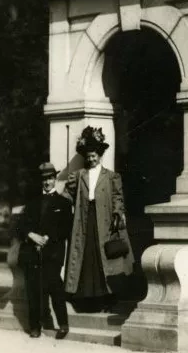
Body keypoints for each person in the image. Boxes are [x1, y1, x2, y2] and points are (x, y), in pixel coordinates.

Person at [64, 126, 134, 311]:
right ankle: (86, 300)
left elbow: (118, 197)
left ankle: (108, 298)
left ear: (99, 155)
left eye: (94, 155)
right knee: (86, 256)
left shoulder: (111, 176)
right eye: (88, 156)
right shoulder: (79, 176)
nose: (91, 159)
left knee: (106, 257)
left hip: (105, 221)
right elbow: (67, 196)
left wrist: (118, 213)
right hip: (85, 219)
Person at [17, 162, 73, 339]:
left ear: (55, 179)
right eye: (44, 179)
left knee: (55, 287)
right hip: (32, 252)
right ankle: (35, 326)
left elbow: (66, 229)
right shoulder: (32, 203)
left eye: (49, 178)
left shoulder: (63, 203)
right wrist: (31, 235)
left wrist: (48, 238)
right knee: (33, 289)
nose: (47, 182)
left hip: (53, 253)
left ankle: (63, 324)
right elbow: (20, 226)